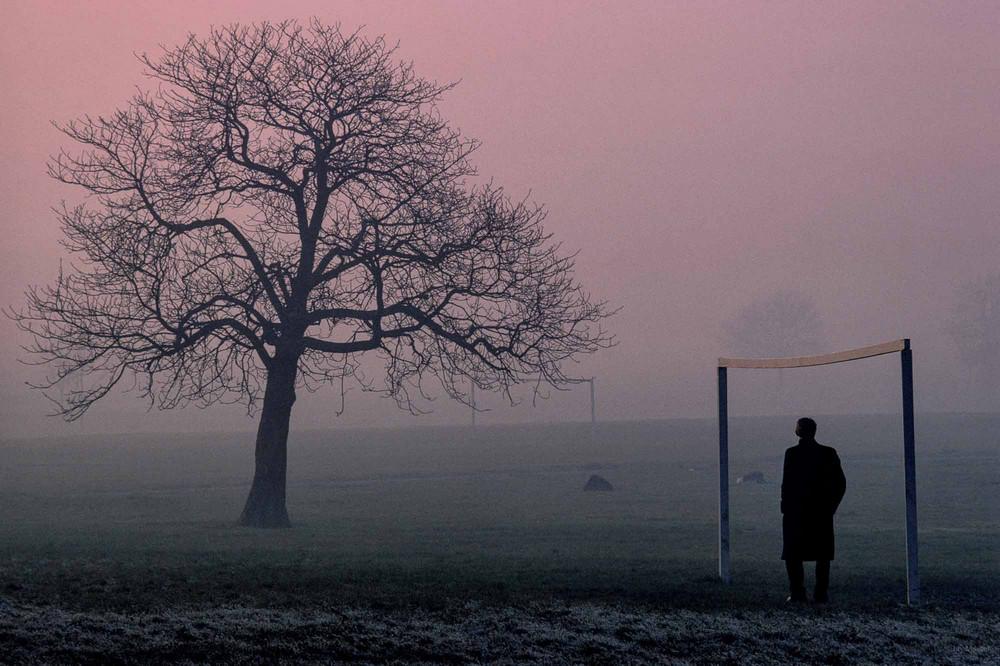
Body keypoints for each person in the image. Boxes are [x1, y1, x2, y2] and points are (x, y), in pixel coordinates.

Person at [781, 417, 847, 603]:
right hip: (821, 512)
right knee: (822, 554)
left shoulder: (792, 454)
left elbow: (787, 484)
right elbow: (840, 483)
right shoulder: (828, 453)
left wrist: (785, 506)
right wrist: (831, 506)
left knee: (794, 554)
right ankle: (821, 593)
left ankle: (797, 592)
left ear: (798, 431)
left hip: (797, 512)